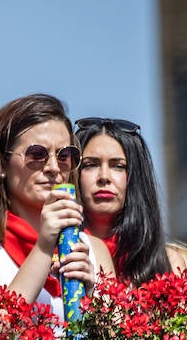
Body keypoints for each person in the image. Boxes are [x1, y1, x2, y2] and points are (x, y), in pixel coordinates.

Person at [0, 94, 114, 320]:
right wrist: (44, 247)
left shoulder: (93, 250)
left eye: (65, 155)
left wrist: (93, 297)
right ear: (2, 163)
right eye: (37, 154)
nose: (54, 167)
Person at [73, 117, 175, 284]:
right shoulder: (57, 251)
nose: (104, 177)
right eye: (90, 164)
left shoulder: (168, 262)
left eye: (118, 166)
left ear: (136, 177)